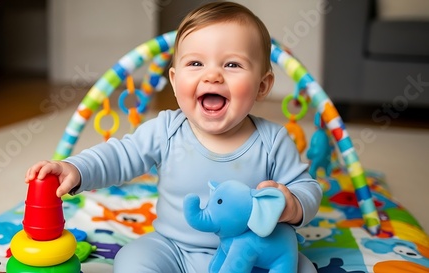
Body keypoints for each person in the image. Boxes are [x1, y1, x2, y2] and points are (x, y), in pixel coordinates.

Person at [25, 2, 322, 272]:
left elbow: (307, 187)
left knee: (302, 268)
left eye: (232, 64)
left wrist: (293, 204)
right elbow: (118, 156)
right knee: (132, 260)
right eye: (196, 63)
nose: (212, 76)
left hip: (249, 255)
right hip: (174, 249)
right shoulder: (166, 129)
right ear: (175, 80)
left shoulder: (272, 140)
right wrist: (76, 169)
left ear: (262, 85)